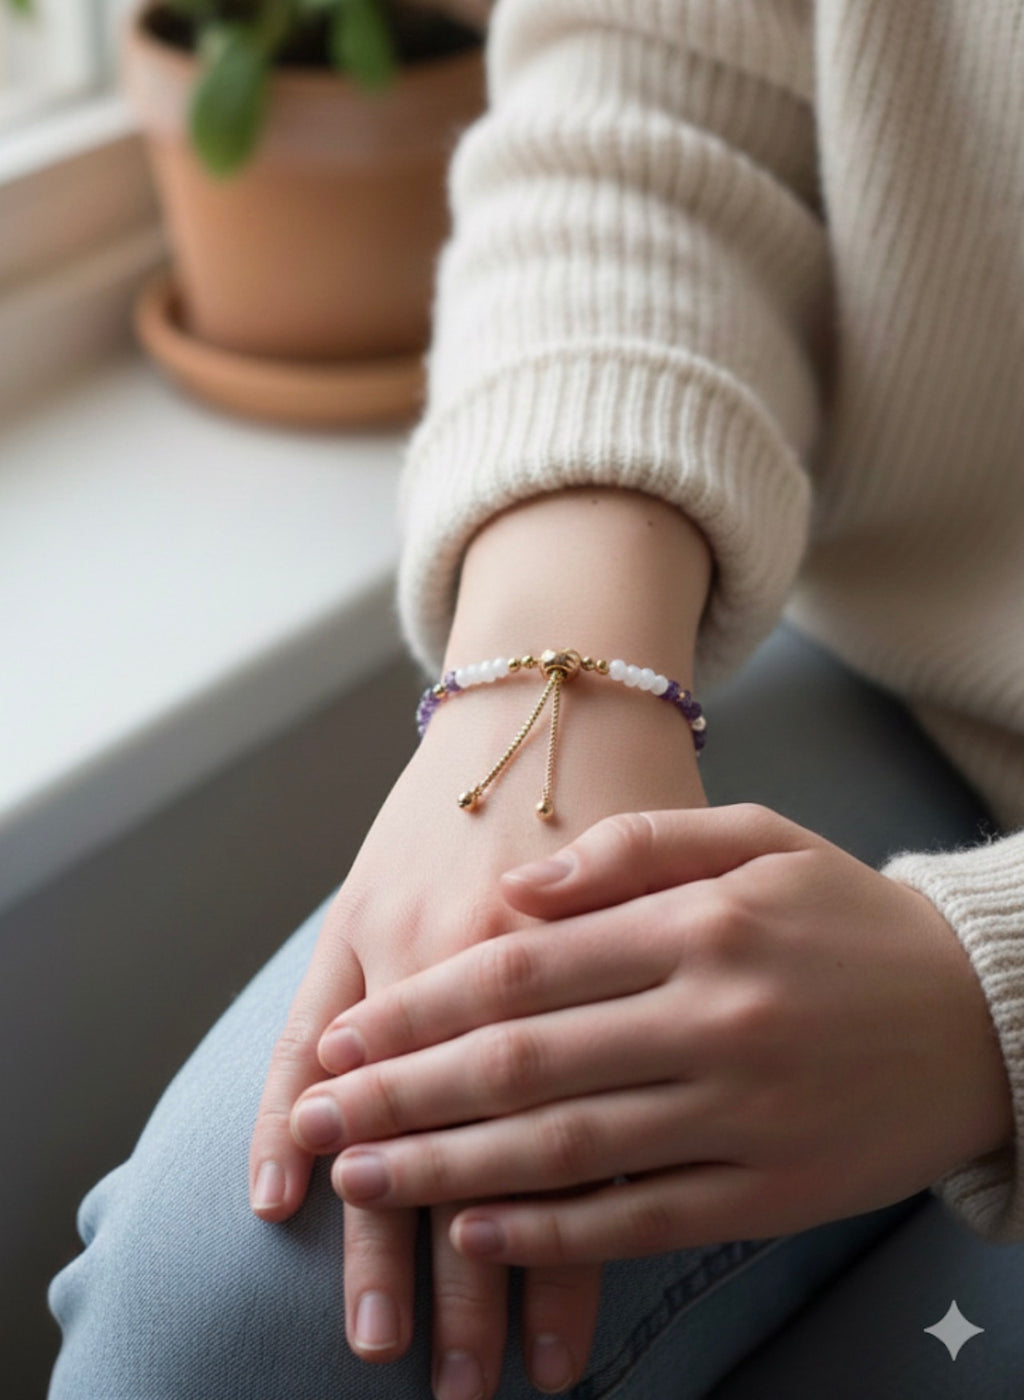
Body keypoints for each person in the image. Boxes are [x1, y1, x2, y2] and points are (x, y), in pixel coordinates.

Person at [49, 1, 1024, 1396]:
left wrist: (986, 1010)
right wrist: (548, 661)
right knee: (224, 1309)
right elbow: (649, 106)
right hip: (925, 685)